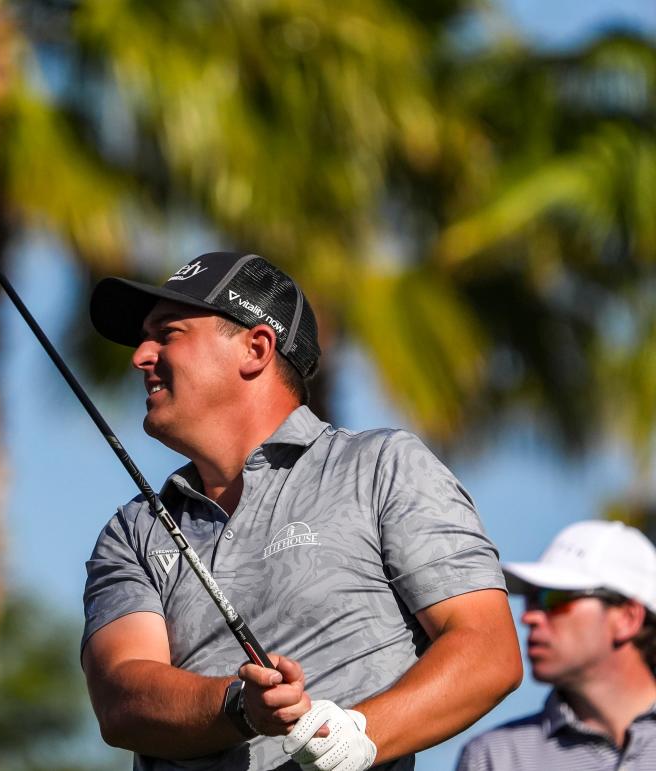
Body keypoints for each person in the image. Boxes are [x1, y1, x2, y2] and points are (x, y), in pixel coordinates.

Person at [81, 251, 522, 771]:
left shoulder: (380, 466)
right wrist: (239, 706)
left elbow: (487, 650)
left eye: (167, 332)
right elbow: (121, 697)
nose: (140, 355)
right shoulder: (133, 530)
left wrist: (358, 735)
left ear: (255, 347)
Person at [456, 519, 656, 770]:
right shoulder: (495, 758)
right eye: (530, 600)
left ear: (628, 618)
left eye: (555, 598)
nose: (528, 616)